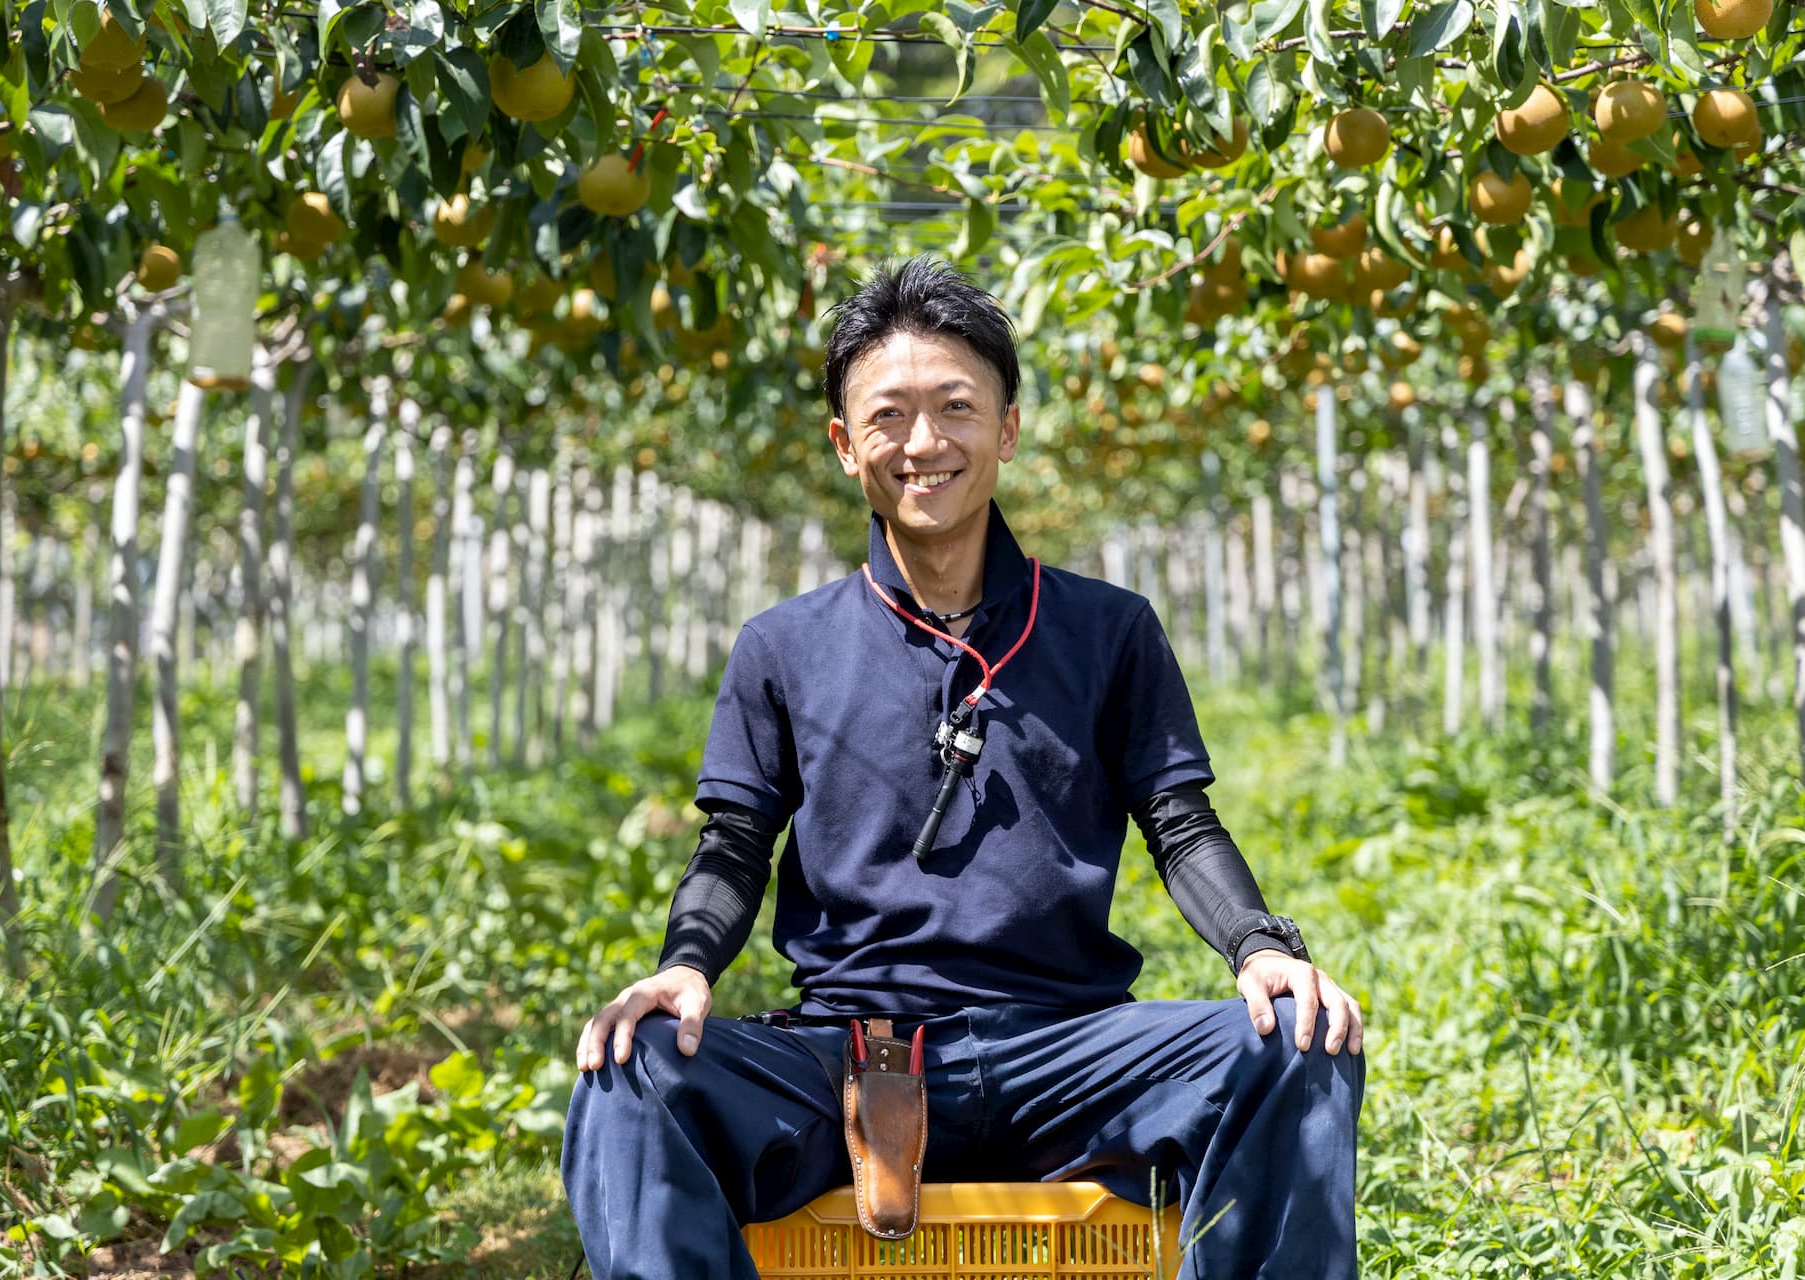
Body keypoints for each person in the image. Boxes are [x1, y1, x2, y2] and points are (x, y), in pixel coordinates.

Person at [562, 257, 1364, 1279]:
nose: (925, 442)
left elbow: (1179, 819)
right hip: (852, 1053)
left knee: (1300, 1040)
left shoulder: (1107, 630)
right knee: (627, 1072)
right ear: (846, 444)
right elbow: (734, 845)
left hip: (1067, 1051)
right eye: (889, 415)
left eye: (956, 407)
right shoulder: (784, 646)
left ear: (1009, 428)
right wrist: (683, 967)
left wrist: (1260, 946)